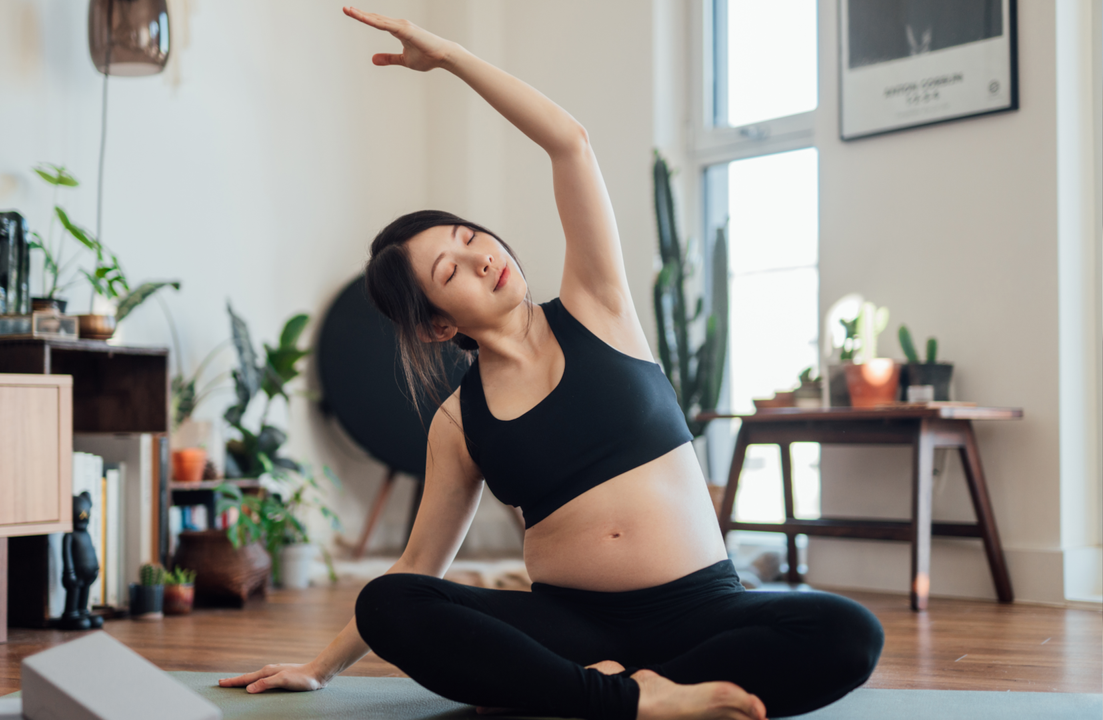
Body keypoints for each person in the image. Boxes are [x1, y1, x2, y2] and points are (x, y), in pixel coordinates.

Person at [220, 8, 883, 720]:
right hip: (572, 628)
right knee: (389, 602)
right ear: (440, 323)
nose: (483, 257)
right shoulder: (458, 421)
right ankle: (629, 700)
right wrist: (320, 669)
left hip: (701, 609)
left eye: (473, 237)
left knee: (847, 633)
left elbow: (569, 143)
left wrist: (447, 57)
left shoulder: (599, 306)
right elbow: (420, 567)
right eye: (454, 269)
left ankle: (615, 696)